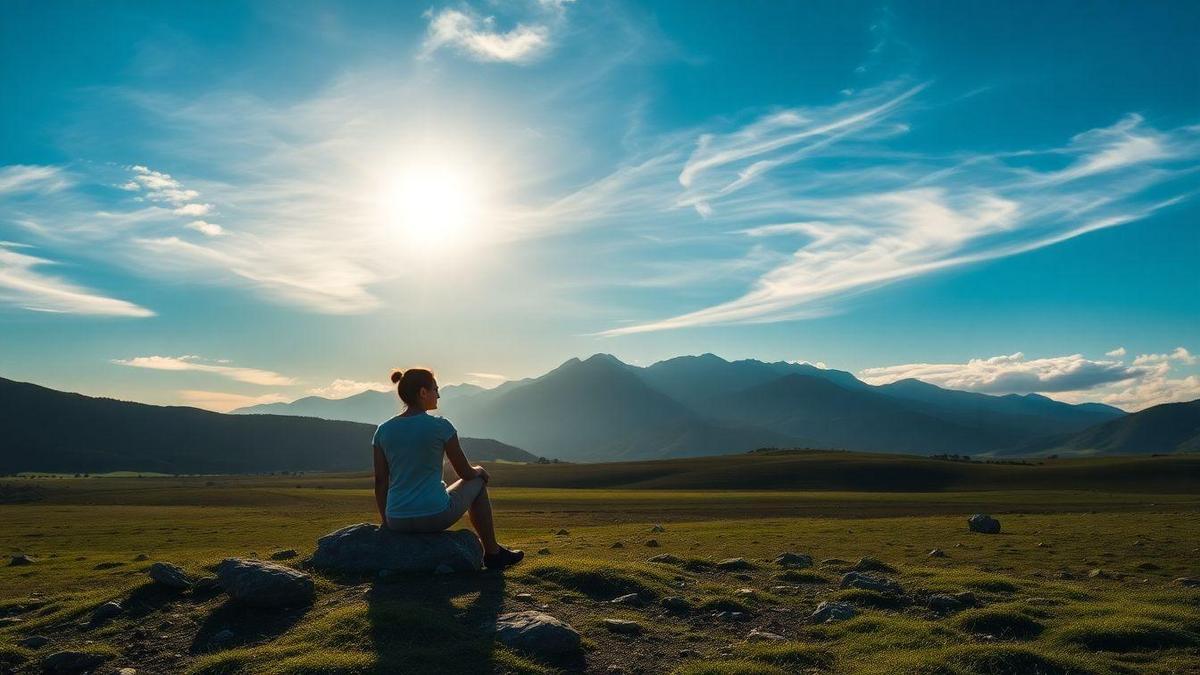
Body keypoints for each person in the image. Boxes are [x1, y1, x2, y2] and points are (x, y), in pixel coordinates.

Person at [372, 367, 524, 570]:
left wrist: (387, 521)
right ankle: (492, 553)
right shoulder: (441, 426)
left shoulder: (383, 430)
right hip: (433, 515)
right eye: (435, 389)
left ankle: (493, 552)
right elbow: (465, 473)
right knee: (478, 482)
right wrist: (479, 470)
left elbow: (381, 481)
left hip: (397, 519)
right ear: (423, 392)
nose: (439, 394)